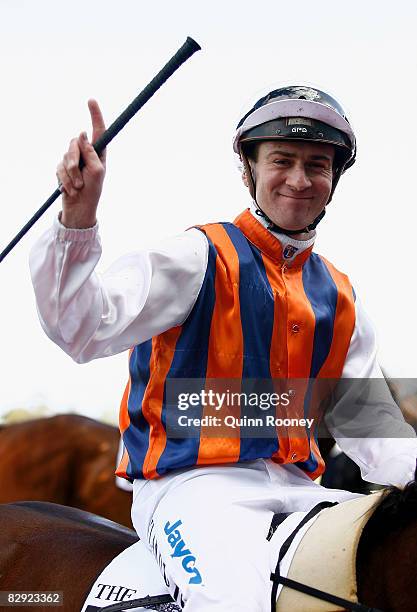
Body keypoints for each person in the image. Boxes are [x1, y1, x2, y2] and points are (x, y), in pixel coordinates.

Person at [30, 86, 417, 611]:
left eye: (317, 166)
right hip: (193, 489)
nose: (300, 180)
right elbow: (80, 328)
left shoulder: (341, 296)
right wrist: (77, 218)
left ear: (334, 180)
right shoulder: (197, 256)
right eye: (282, 160)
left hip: (302, 495)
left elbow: (375, 432)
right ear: (249, 169)